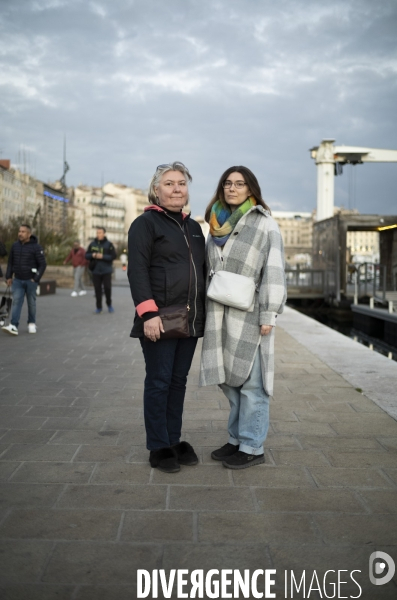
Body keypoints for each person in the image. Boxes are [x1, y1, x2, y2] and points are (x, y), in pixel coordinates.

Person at [200, 166, 286, 469]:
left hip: (250, 313)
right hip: (219, 313)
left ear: (251, 189)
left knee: (252, 383)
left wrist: (269, 313)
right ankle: (236, 439)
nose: (232, 188)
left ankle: (252, 446)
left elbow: (273, 271)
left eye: (239, 184)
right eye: (227, 183)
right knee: (231, 381)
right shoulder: (215, 224)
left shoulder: (265, 225)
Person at [128, 162, 206, 473]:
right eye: (169, 184)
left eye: (181, 184)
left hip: (190, 319)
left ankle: (173, 439)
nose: (176, 189)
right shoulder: (145, 224)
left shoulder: (194, 227)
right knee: (159, 382)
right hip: (160, 317)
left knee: (178, 382)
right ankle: (158, 446)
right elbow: (137, 271)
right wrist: (148, 314)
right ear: (157, 190)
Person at [2, 224, 47, 336]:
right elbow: (10, 262)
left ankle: (31, 323)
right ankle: (13, 325)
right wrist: (8, 276)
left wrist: (35, 278)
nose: (20, 233)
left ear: (29, 234)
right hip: (17, 280)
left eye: (23, 232)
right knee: (17, 301)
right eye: (19, 231)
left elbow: (42, 264)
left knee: (31, 303)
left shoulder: (36, 247)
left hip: (30, 280)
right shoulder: (15, 246)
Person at [85, 227, 117, 314]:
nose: (98, 234)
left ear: (104, 234)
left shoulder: (109, 244)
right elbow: (86, 255)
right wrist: (93, 255)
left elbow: (113, 256)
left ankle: (109, 305)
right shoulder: (92, 244)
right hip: (95, 270)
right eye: (97, 233)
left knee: (107, 288)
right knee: (97, 289)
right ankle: (99, 307)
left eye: (100, 233)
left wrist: (102, 256)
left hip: (106, 270)